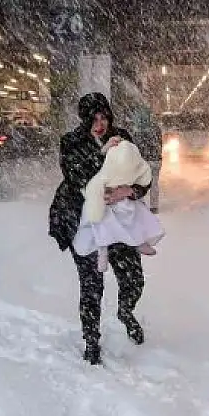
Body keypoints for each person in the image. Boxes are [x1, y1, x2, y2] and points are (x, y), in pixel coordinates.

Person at [48, 93, 152, 365]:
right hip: (84, 223)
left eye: (103, 117)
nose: (99, 124)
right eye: (93, 119)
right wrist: (101, 153)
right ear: (84, 120)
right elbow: (76, 174)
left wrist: (131, 190)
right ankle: (91, 339)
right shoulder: (71, 142)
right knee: (92, 285)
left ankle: (126, 312)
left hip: (119, 223)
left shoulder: (123, 137)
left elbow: (139, 170)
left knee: (133, 279)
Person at [72, 138, 165, 273]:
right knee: (101, 222)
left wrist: (130, 191)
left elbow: (143, 179)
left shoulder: (124, 143)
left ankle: (138, 240)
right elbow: (81, 175)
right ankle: (102, 251)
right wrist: (99, 195)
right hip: (102, 201)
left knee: (136, 214)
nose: (99, 125)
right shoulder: (79, 143)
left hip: (125, 199)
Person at [128, 105, 163, 212]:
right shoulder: (155, 128)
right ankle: (154, 206)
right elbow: (160, 143)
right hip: (155, 160)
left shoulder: (135, 130)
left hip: (141, 160)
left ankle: (139, 204)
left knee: (138, 182)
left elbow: (133, 146)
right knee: (154, 184)